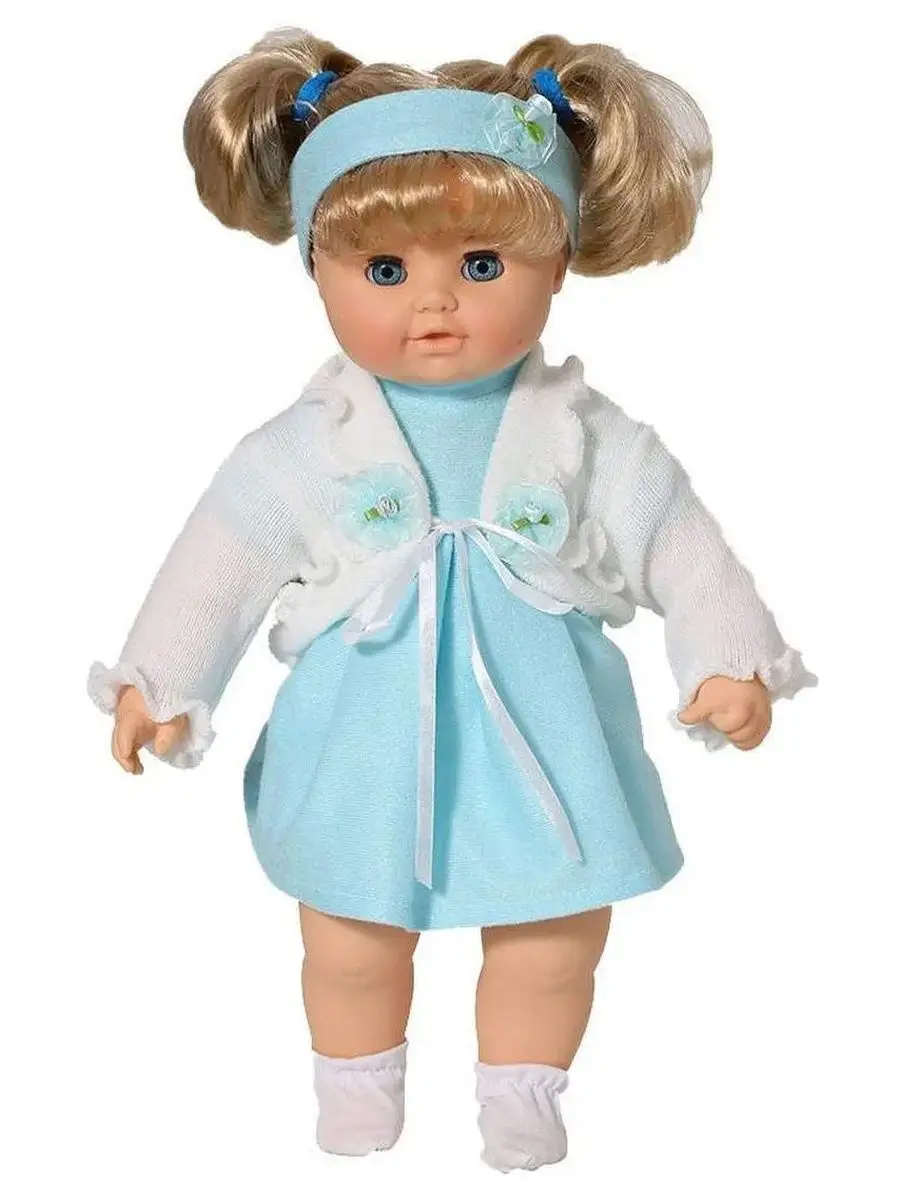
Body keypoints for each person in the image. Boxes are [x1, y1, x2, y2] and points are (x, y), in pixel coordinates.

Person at [88, 29, 816, 1172]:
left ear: (558, 262)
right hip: (362, 743)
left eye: (481, 265)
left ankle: (524, 1097)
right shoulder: (307, 445)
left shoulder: (588, 439)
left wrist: (726, 657)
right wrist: (163, 679)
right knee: (350, 941)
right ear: (319, 272)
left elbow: (681, 544)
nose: (434, 304)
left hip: (547, 734)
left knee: (554, 939)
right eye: (384, 272)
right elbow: (217, 562)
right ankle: (355, 1087)